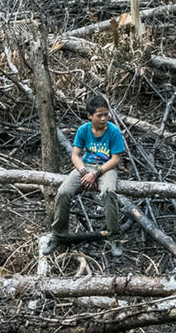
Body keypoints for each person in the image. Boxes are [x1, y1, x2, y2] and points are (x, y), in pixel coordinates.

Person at [51, 96, 127, 241]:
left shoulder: (114, 131)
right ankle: (58, 235)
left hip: (106, 168)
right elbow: (75, 155)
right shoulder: (83, 130)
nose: (104, 118)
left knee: (109, 192)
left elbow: (116, 159)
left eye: (106, 114)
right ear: (90, 116)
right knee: (63, 192)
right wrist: (84, 172)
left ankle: (115, 237)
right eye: (99, 116)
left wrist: (96, 173)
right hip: (86, 166)